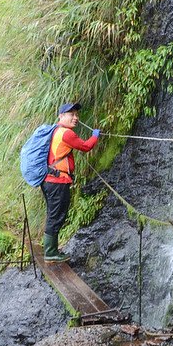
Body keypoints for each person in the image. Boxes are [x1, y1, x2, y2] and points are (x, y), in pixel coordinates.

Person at [41, 102, 100, 262]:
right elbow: (86, 147)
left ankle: (50, 250)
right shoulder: (66, 133)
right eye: (71, 114)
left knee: (54, 214)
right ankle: (50, 253)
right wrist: (95, 136)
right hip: (57, 181)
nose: (75, 117)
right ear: (61, 116)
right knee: (56, 215)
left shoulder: (56, 131)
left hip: (50, 181)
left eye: (76, 114)